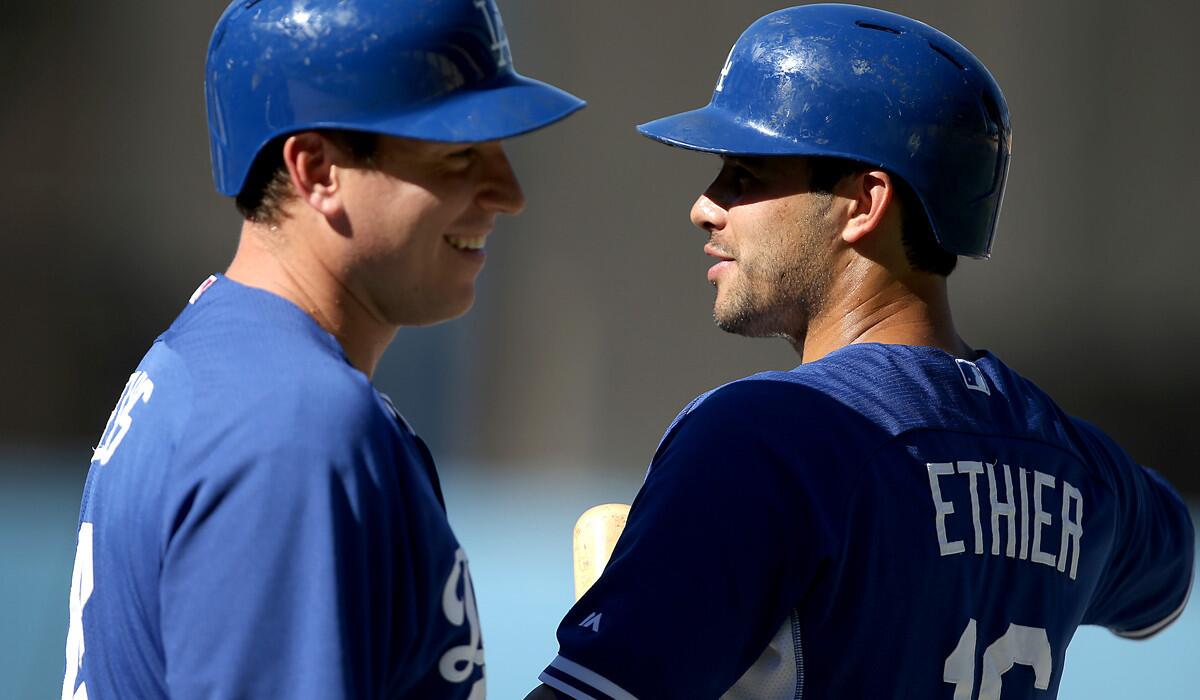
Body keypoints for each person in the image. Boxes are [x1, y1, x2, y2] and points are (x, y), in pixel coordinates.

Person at [526, 5, 1193, 699]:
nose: (705, 204)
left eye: (746, 175)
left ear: (864, 202)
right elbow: (1170, 575)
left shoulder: (765, 439)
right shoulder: (1079, 467)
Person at [60, 1, 583, 698]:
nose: (508, 193)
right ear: (317, 169)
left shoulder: (222, 367)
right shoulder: (292, 423)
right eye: (459, 152)